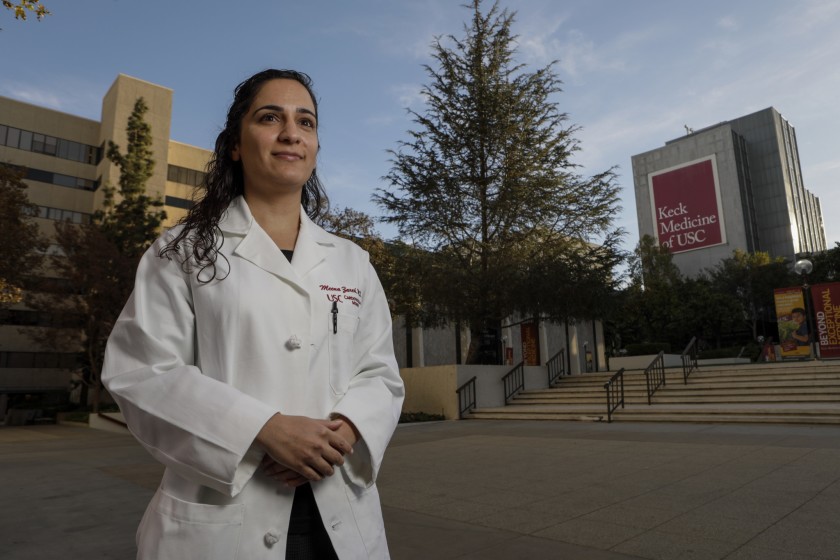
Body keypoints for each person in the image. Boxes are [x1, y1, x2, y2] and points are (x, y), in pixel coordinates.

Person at [102, 69, 405, 559]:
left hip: (341, 521)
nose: (291, 133)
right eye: (271, 117)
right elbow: (140, 371)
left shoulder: (352, 261)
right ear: (236, 145)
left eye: (305, 122)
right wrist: (263, 431)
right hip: (221, 523)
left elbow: (379, 373)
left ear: (315, 146)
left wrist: (346, 431)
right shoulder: (182, 251)